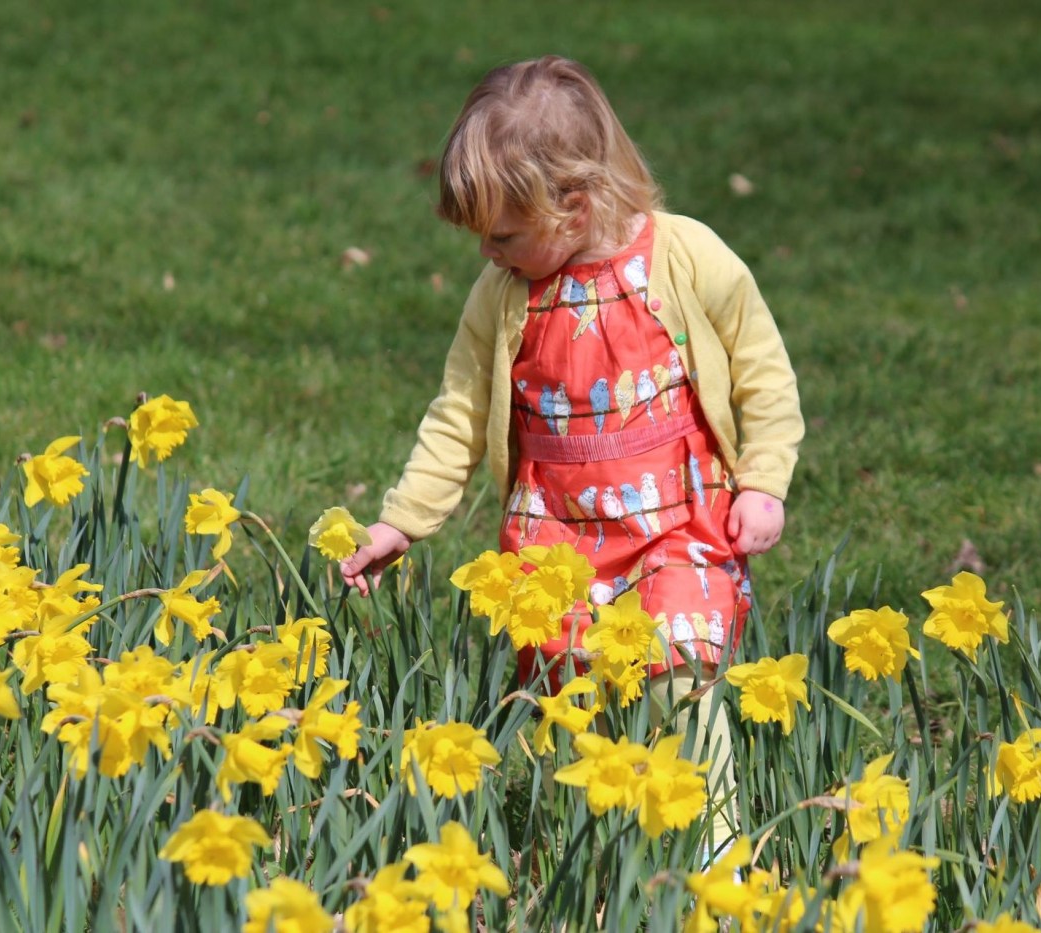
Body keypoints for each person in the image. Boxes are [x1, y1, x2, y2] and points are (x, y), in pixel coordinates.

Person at [339, 55, 803, 850]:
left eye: (504, 235)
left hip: (676, 522)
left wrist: (763, 479)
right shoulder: (503, 295)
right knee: (567, 703)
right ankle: (588, 857)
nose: (488, 253)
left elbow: (763, 371)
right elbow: (458, 412)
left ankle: (716, 852)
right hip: (555, 536)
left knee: (679, 678)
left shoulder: (688, 256)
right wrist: (402, 521)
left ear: (574, 205)